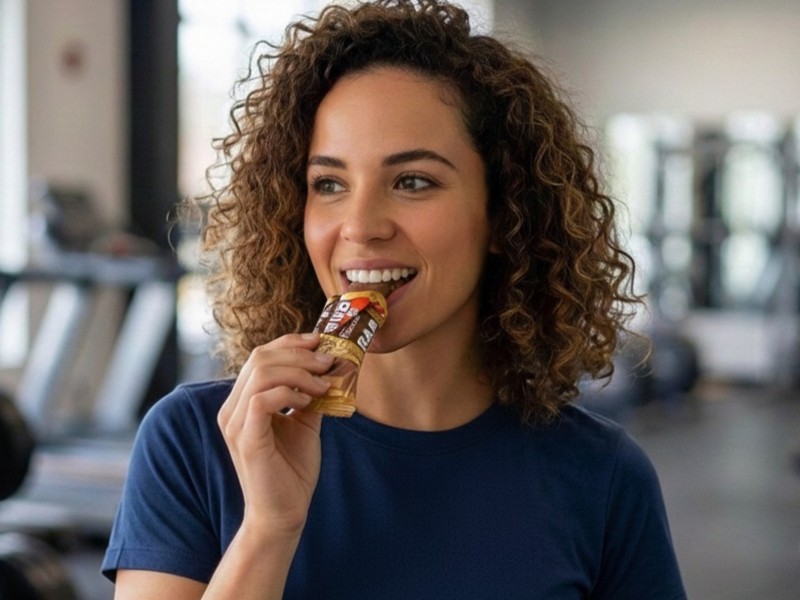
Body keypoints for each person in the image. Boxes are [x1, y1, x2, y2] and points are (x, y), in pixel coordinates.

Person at [102, 1, 687, 598]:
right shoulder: (193, 441)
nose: (359, 226)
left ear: (506, 213)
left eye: (412, 182)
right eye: (328, 184)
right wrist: (268, 531)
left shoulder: (603, 476)